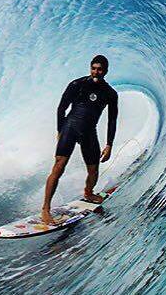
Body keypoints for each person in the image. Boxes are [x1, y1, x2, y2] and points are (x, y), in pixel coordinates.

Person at [41, 55, 118, 225]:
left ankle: (88, 193)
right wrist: (60, 130)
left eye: (100, 69)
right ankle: (45, 209)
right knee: (59, 167)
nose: (96, 72)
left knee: (94, 170)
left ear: (106, 71)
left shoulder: (110, 93)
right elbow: (62, 108)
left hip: (89, 132)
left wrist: (109, 144)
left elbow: (112, 120)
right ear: (90, 68)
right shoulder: (77, 84)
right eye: (93, 68)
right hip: (71, 127)